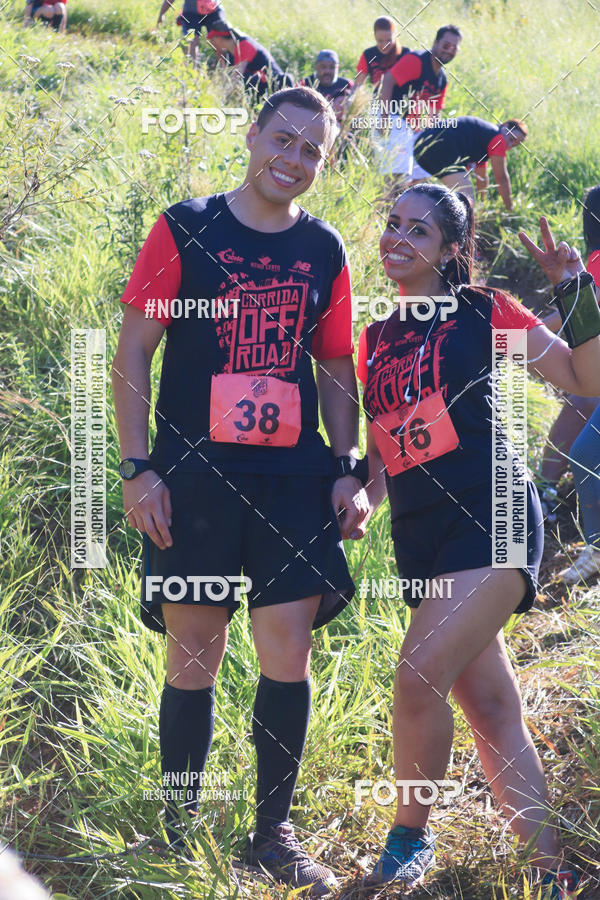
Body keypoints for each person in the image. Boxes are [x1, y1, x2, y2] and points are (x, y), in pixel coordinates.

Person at [112, 86, 370, 896]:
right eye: (282, 141)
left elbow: (334, 366)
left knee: (285, 653)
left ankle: (273, 833)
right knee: (195, 654)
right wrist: (136, 467)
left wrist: (347, 463)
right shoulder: (184, 226)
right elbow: (133, 353)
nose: (292, 160)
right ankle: (180, 824)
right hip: (194, 478)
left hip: (293, 481)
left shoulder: (324, 248)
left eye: (311, 152)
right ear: (253, 135)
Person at [353, 184, 598, 896]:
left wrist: (574, 287)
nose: (398, 238)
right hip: (419, 534)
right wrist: (361, 498)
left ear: (452, 249)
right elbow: (383, 450)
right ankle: (551, 874)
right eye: (393, 224)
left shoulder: (484, 309)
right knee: (488, 706)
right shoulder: (376, 338)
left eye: (419, 231)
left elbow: (587, 376)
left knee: (416, 676)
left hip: (491, 512)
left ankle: (408, 843)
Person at [539, 184, 600, 583]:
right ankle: (544, 494)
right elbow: (580, 310)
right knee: (581, 429)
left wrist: (516, 334)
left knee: (584, 450)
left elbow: (572, 315)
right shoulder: (594, 263)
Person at [376, 25, 462, 186]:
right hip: (390, 116)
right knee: (397, 178)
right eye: (446, 45)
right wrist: (384, 118)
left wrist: (434, 142)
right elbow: (387, 81)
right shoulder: (417, 61)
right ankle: (387, 203)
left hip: (408, 126)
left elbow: (434, 115)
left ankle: (403, 203)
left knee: (423, 171)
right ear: (435, 42)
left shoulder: (442, 80)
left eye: (454, 48)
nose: (449, 50)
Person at [413, 115, 528, 209]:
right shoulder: (498, 138)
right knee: (467, 202)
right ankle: (465, 235)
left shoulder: (484, 138)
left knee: (417, 193)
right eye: (511, 139)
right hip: (442, 147)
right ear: (505, 126)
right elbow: (501, 178)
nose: (509, 145)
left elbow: (482, 177)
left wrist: (483, 203)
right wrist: (510, 208)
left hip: (421, 145)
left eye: (514, 145)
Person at [208, 27, 293, 99]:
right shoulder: (231, 51)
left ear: (219, 39)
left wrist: (222, 98)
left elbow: (236, 77)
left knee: (245, 80)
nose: (210, 42)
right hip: (261, 85)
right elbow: (227, 76)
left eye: (212, 39)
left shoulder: (244, 45)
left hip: (275, 84)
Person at [156, 0, 230, 66]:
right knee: (192, 40)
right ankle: (192, 74)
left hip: (213, 9)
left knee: (220, 40)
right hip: (191, 11)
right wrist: (161, 14)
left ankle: (227, 71)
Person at [354, 16, 409, 91]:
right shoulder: (368, 55)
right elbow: (357, 85)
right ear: (375, 36)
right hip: (378, 100)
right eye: (380, 41)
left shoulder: (407, 54)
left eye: (389, 40)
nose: (384, 45)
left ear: (395, 36)